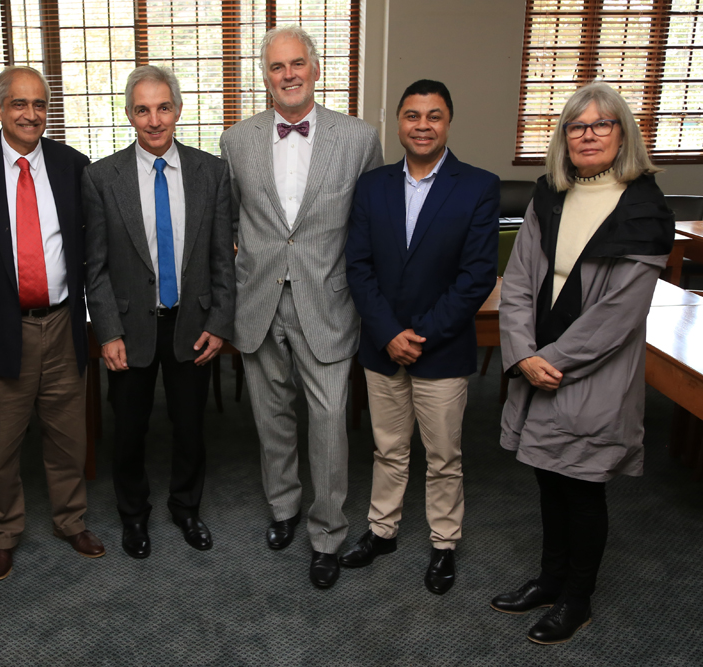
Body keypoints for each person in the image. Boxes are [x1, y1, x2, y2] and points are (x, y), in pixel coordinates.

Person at [493, 81, 674, 644]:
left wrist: (550, 359)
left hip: (593, 369)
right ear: (564, 137)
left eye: (602, 124)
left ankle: (578, 598)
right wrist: (522, 353)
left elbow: (619, 314)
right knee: (548, 475)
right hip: (537, 358)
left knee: (582, 483)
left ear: (623, 134)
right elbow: (518, 280)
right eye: (577, 126)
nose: (588, 134)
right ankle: (549, 579)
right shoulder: (549, 194)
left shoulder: (644, 207)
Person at [219, 25, 383, 588]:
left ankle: (327, 533)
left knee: (331, 423)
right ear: (264, 77)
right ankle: (284, 507)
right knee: (271, 419)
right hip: (259, 300)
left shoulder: (359, 139)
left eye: (296, 64)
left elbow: (371, 226)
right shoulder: (236, 140)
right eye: (275, 67)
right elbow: (233, 222)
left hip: (329, 302)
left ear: (316, 69)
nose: (286, 75)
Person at [0, 66, 104, 582]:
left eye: (39, 105)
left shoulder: (74, 165)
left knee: (67, 436)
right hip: (2, 326)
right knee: (1, 442)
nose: (30, 114)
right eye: (18, 103)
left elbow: (85, 248)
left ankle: (69, 519)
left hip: (61, 324)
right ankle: (2, 534)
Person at [342, 79, 499, 595]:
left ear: (448, 120)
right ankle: (382, 530)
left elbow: (476, 277)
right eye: (412, 115)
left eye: (433, 115)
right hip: (382, 348)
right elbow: (358, 267)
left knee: (443, 456)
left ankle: (444, 543)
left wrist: (420, 335)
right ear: (398, 122)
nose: (423, 125)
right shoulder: (372, 185)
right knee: (387, 449)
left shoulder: (478, 186)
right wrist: (389, 333)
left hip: (443, 348)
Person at [83, 66, 235, 558]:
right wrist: (107, 331)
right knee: (129, 432)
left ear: (179, 110)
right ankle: (134, 515)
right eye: (143, 109)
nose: (154, 120)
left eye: (163, 107)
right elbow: (96, 265)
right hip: (129, 329)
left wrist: (219, 322)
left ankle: (187, 508)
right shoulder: (101, 177)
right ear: (129, 115)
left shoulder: (210, 172)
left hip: (193, 326)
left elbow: (221, 257)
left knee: (191, 428)